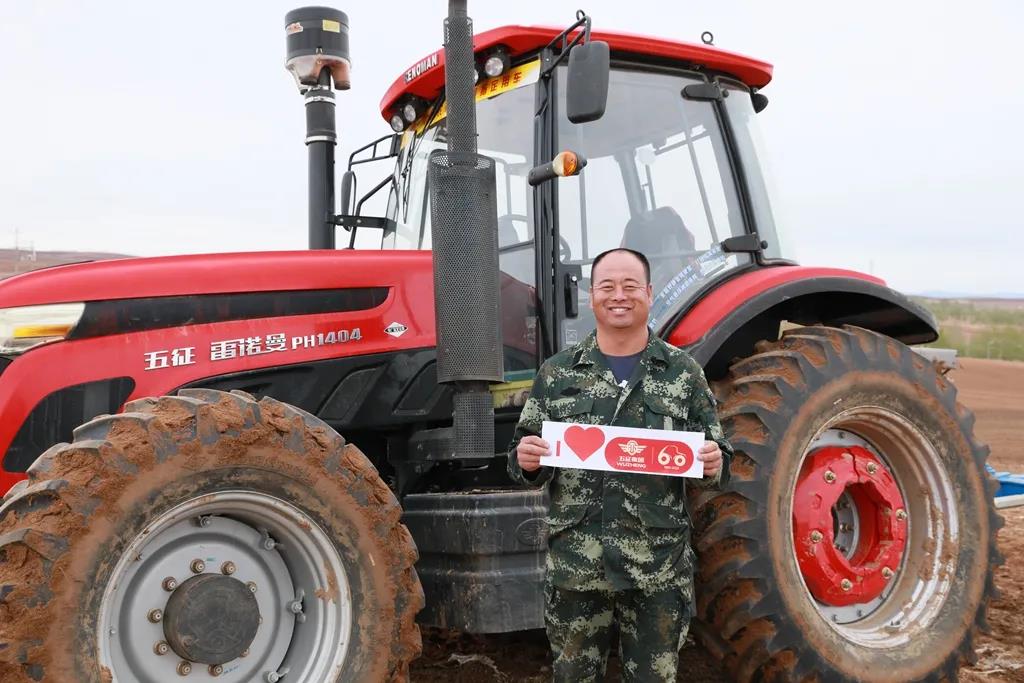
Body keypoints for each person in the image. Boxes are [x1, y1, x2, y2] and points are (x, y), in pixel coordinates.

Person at [507, 247, 732, 682]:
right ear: (592, 295)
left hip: (657, 569)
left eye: (630, 286)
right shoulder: (557, 374)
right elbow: (523, 455)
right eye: (607, 286)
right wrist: (527, 460)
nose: (619, 296)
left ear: (648, 292)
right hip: (578, 566)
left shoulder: (683, 373)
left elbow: (719, 454)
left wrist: (713, 461)